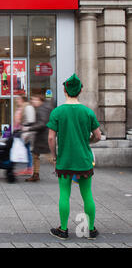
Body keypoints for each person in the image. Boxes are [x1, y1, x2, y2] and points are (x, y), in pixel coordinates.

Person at [47, 74, 101, 240]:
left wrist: (54, 156)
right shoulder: (88, 112)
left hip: (65, 159)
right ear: (80, 91)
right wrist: (88, 142)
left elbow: (50, 138)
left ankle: (63, 230)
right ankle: (90, 229)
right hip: (84, 159)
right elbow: (98, 136)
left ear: (64, 90)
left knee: (64, 194)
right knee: (87, 194)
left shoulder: (57, 112)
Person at [23, 92, 54, 182]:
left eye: (34, 99)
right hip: (41, 136)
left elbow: (42, 123)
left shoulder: (42, 109)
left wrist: (29, 128)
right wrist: (29, 124)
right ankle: (35, 175)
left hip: (43, 137)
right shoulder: (43, 107)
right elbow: (40, 122)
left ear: (39, 100)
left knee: (50, 157)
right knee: (35, 155)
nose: (32, 101)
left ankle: (65, 173)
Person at [14, 96, 35, 176]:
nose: (17, 101)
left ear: (22, 100)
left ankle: (29, 168)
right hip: (25, 132)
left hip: (24, 132)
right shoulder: (27, 107)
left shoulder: (25, 108)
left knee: (16, 149)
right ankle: (29, 168)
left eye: (18, 99)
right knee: (27, 150)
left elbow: (19, 121)